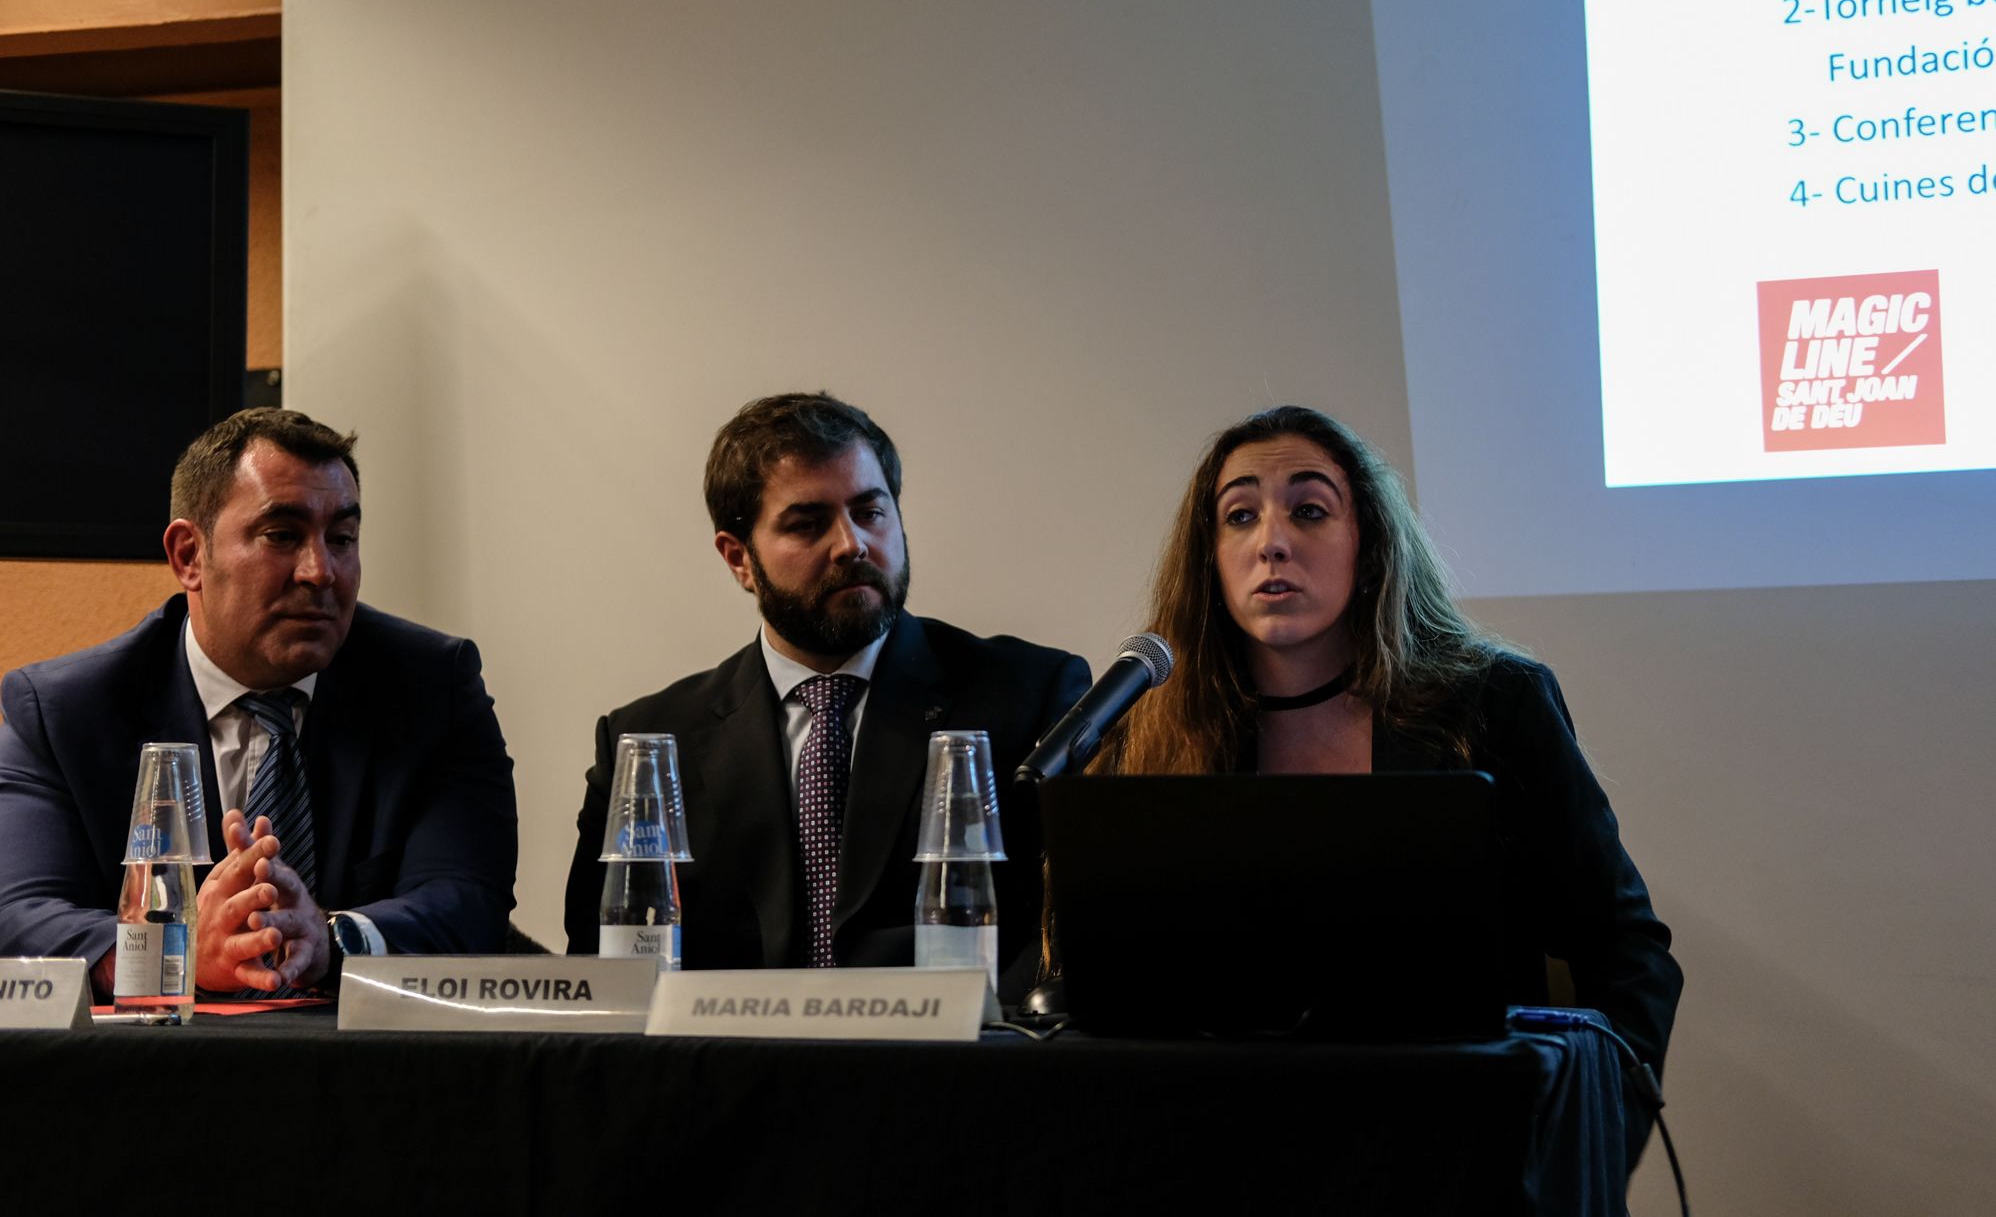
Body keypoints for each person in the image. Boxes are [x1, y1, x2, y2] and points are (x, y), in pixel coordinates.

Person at [1094, 404, 1681, 1165]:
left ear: (1367, 543)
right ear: (1208, 555)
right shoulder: (1150, 725)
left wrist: (1582, 1142)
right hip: (1228, 1144)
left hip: (1461, 1143)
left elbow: (1625, 950)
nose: (1271, 540)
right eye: (1239, 515)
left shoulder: (1494, 702)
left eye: (1309, 510)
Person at [563, 392, 1089, 1001]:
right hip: (726, 1083)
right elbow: (604, 971)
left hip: (956, 1077)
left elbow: (1063, 935)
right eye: (808, 524)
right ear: (740, 559)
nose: (851, 544)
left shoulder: (1030, 697)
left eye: (871, 511)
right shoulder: (652, 743)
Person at [0, 408, 518, 996]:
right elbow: (19, 912)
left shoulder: (432, 688)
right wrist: (177, 954)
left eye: (342, 539)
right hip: (145, 1073)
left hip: (368, 1070)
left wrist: (329, 938)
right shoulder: (66, 711)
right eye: (282, 536)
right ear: (189, 556)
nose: (321, 571)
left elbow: (469, 899)